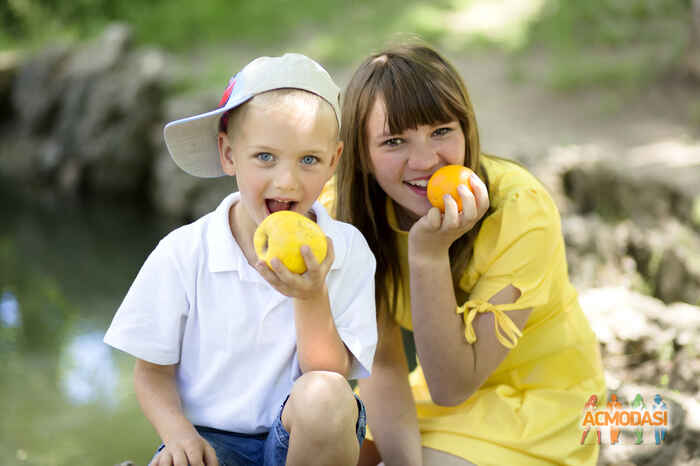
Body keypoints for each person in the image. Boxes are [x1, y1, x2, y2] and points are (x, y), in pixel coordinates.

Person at [321, 43, 607, 465]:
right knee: (336, 454)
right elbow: (382, 364)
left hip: (541, 404)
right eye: (394, 141)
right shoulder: (343, 215)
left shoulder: (519, 209)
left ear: (467, 130)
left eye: (441, 131)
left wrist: (428, 256)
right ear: (361, 156)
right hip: (434, 399)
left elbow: (453, 385)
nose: (426, 160)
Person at [104, 53, 377, 466]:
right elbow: (151, 373)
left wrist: (311, 294)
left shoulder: (347, 249)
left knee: (326, 396)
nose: (286, 181)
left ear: (334, 161)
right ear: (228, 154)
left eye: (308, 160)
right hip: (212, 442)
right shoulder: (184, 252)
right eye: (265, 157)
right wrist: (179, 436)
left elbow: (330, 374)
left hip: (305, 441)